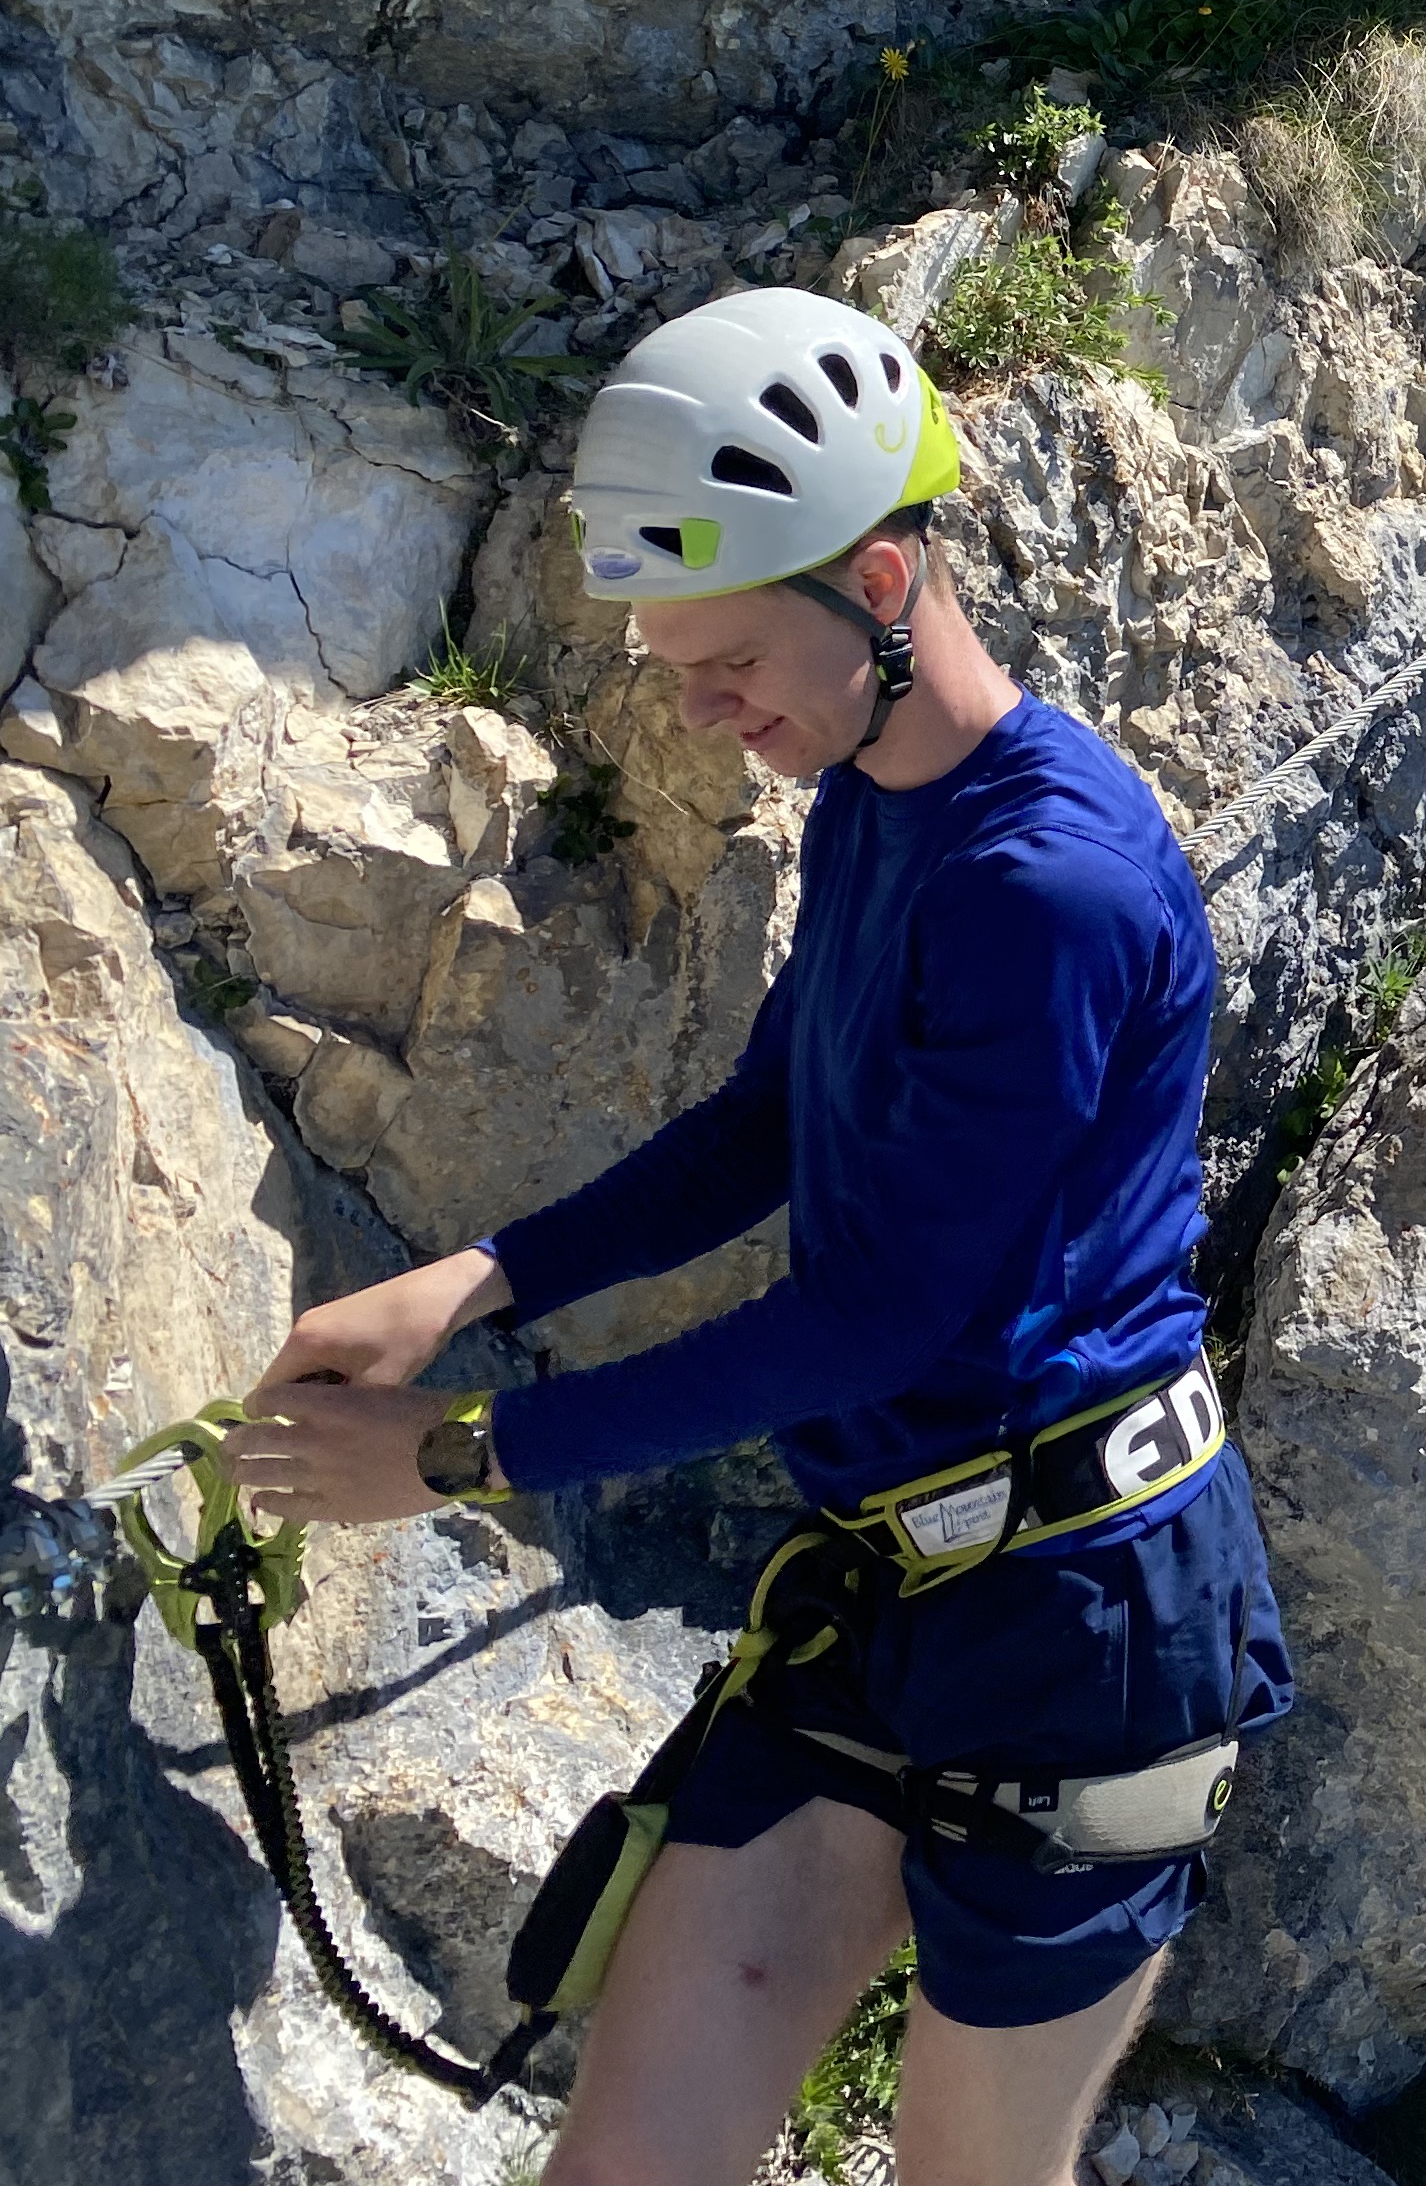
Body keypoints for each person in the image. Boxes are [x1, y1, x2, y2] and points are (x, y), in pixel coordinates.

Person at [220, 286, 1291, 2186]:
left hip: (1088, 1622)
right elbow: (764, 1130)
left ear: (882, 578)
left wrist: (468, 1451)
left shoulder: (1047, 882)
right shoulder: (880, 796)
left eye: (725, 659)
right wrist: (465, 1283)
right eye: (674, 664)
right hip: (890, 1584)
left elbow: (873, 1313)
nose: (703, 708)